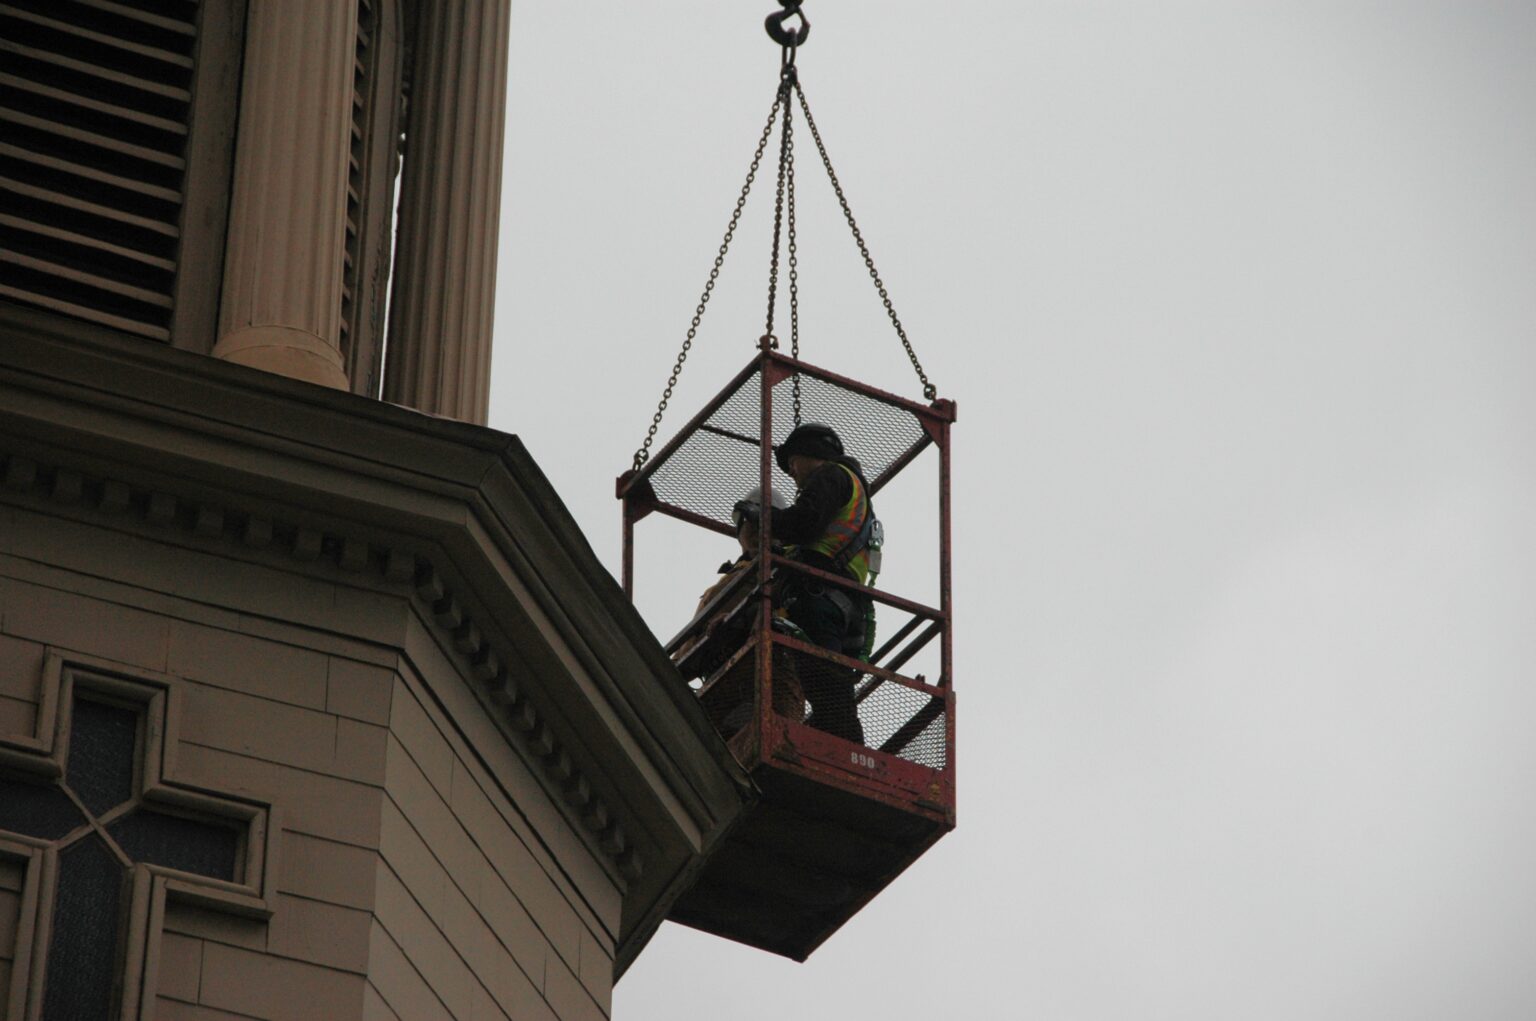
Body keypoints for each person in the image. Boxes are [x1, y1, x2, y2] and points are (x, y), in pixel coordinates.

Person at [739, 422, 880, 745]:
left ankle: (847, 754)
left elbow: (804, 523)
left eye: (793, 462)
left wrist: (763, 517)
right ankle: (847, 750)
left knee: (827, 685)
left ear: (812, 454)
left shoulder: (831, 476)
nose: (792, 472)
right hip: (842, 603)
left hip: (821, 598)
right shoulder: (853, 489)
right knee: (829, 687)